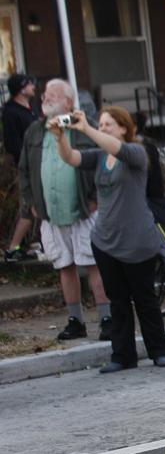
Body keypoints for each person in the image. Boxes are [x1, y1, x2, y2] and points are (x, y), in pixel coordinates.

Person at [50, 105, 165, 373]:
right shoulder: (99, 155)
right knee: (116, 300)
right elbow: (71, 158)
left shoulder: (136, 153)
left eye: (108, 124)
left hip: (138, 239)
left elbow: (117, 148)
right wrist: (60, 137)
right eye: (101, 124)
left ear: (124, 129)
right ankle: (122, 355)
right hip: (105, 239)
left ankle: (159, 351)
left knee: (144, 298)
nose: (103, 128)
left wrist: (88, 128)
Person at [18, 78, 111, 341]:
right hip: (50, 214)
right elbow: (24, 170)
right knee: (64, 266)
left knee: (93, 264)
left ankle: (106, 318)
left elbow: (100, 161)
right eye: (45, 94)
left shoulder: (82, 129)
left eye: (52, 94)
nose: (44, 98)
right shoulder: (34, 131)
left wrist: (95, 198)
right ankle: (75, 321)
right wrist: (32, 203)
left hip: (84, 211)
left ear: (69, 102)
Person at [2, 73, 39, 261]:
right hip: (29, 166)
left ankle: (27, 243)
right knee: (31, 205)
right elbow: (12, 144)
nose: (33, 86)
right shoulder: (11, 112)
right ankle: (13, 248)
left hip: (40, 163)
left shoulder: (30, 109)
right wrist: (25, 161)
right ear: (20, 89)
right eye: (28, 83)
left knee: (36, 205)